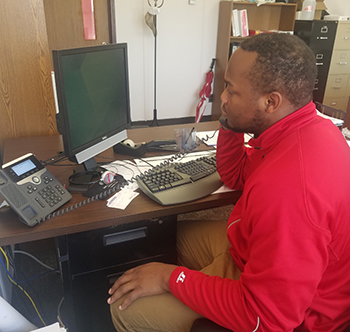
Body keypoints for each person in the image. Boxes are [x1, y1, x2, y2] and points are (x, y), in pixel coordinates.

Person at [107, 33, 350, 331]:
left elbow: (265, 317)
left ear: (270, 101)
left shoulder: (288, 189)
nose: (221, 98)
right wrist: (231, 119)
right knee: (168, 236)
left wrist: (168, 277)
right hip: (251, 250)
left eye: (231, 91)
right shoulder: (303, 130)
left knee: (127, 310)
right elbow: (235, 175)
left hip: (292, 313)